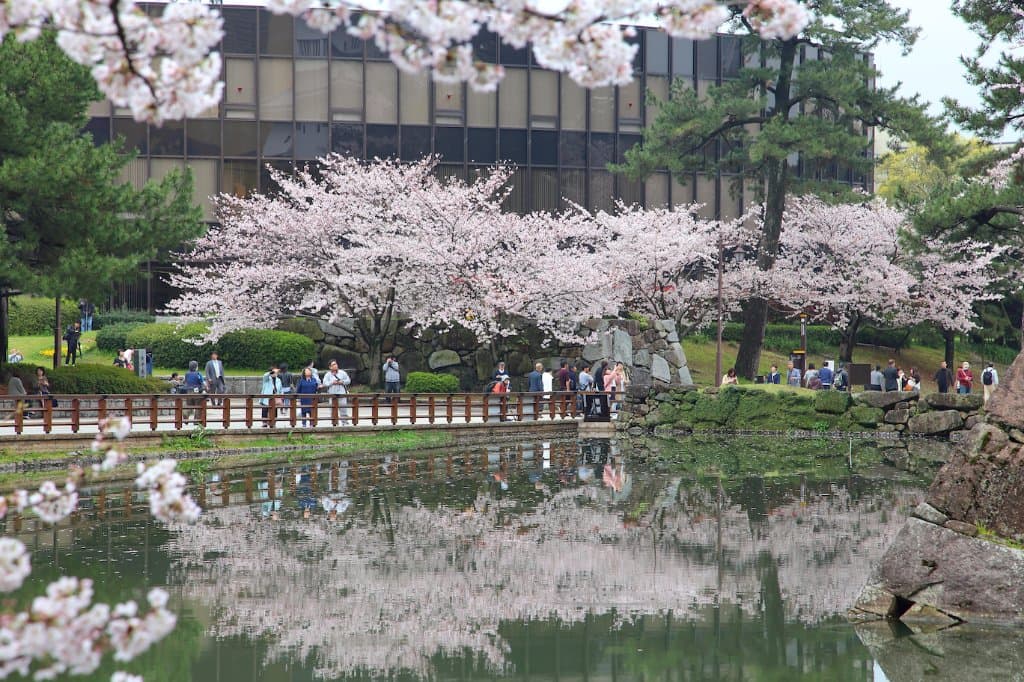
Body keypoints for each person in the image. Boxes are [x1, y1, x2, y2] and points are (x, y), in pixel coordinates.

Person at [321, 360, 352, 426]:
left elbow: (348, 380)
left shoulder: (342, 373)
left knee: (343, 409)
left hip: (342, 394)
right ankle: (335, 423)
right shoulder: (328, 374)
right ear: (330, 367)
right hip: (332, 394)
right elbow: (325, 383)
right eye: (333, 364)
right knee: (332, 410)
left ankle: (345, 423)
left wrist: (342, 382)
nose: (335, 366)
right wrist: (332, 382)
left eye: (336, 364)